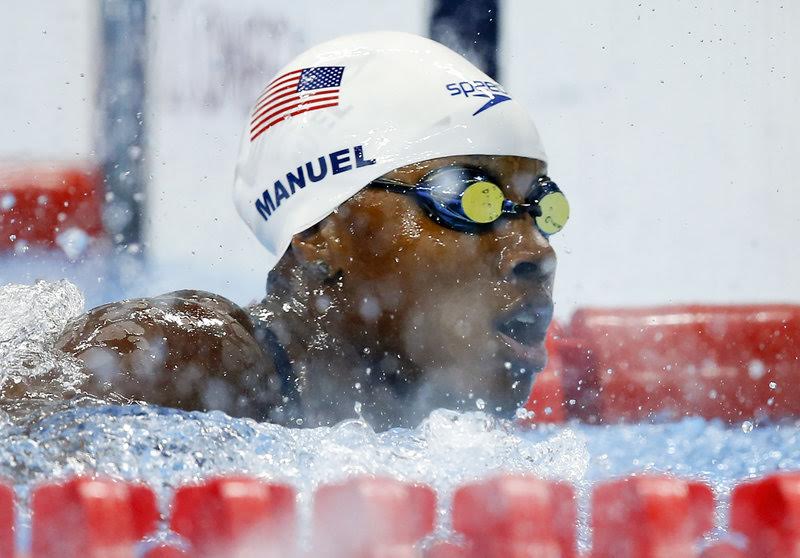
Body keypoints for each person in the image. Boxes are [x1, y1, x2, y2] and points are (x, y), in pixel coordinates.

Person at [53, 31, 569, 429]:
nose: (535, 249)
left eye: (540, 207)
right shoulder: (176, 363)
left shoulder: (432, 437)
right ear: (321, 231)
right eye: (465, 199)